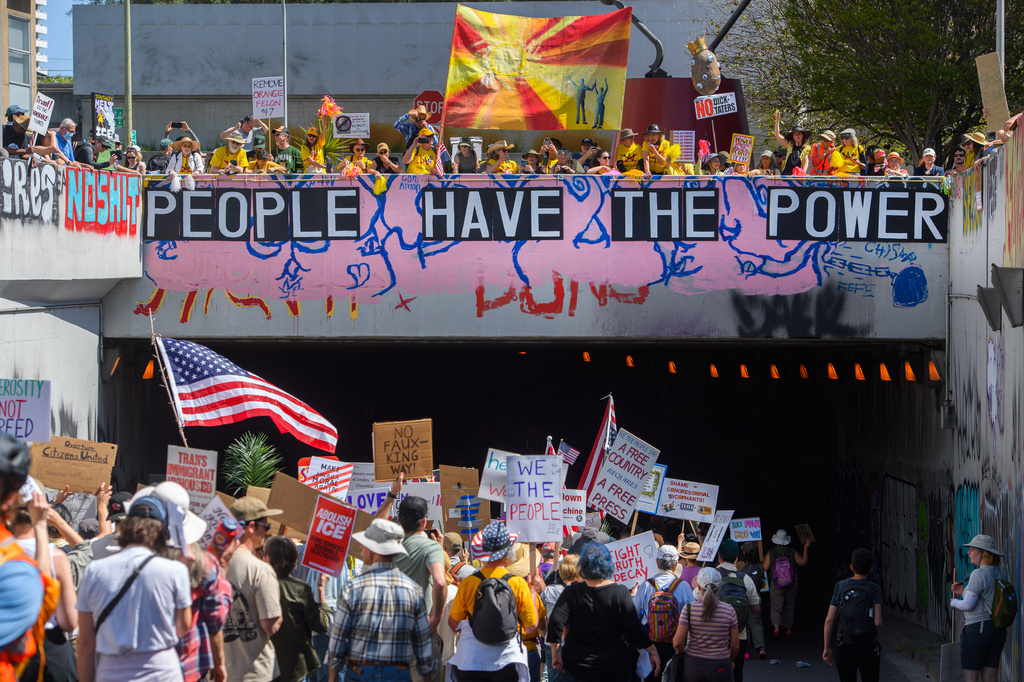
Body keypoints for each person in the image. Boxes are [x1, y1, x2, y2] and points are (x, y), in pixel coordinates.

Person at [76, 494, 192, 682]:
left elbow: (85, 642)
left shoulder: (95, 570)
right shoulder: (176, 571)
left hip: (112, 672)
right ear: (162, 530)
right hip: (161, 672)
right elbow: (183, 628)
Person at [327, 518, 436, 682]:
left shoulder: (353, 589)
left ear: (373, 550)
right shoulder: (413, 590)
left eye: (364, 544)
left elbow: (337, 642)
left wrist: (332, 678)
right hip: (398, 672)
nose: (360, 548)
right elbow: (422, 645)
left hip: (359, 672)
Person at [548, 542, 659, 682]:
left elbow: (555, 621)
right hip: (613, 666)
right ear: (608, 564)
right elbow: (633, 628)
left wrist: (555, 653)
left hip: (577, 666)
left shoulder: (571, 591)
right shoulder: (620, 592)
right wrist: (652, 650)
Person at [448, 521, 537, 681]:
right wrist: (532, 594)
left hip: (470, 661)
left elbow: (453, 624)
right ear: (509, 551)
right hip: (506, 661)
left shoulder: (469, 583)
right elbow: (530, 627)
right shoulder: (517, 583)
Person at [10, 485, 79, 682]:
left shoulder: (5, 552)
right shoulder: (56, 556)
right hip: (50, 651)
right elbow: (68, 622)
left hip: (9, 648)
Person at [385, 495, 446, 682]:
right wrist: (436, 617)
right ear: (424, 521)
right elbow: (440, 582)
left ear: (400, 519)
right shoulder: (430, 547)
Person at [223, 497, 283, 682]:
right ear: (251, 527)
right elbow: (270, 626)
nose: (267, 531)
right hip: (256, 672)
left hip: (221, 671)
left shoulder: (211, 564)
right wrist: (280, 615)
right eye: (265, 526)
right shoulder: (260, 570)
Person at [261, 536, 331, 682]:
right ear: (294, 561)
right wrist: (321, 590)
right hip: (295, 668)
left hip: (264, 666)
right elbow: (322, 625)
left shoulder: (257, 586)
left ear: (266, 558)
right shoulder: (300, 589)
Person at [632, 545, 695, 682]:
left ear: (657, 563)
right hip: (676, 643)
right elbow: (692, 616)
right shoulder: (683, 586)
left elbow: (633, 614)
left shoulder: (646, 585)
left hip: (651, 643)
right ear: (676, 565)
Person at [951, 535, 1008, 682]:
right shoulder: (1000, 574)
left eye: (972, 550)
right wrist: (962, 592)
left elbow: (967, 605)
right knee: (990, 678)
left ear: (984, 553)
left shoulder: (978, 573)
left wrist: (954, 602)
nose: (969, 553)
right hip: (997, 630)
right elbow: (986, 598)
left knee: (971, 678)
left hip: (978, 630)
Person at [822, 548, 882, 682]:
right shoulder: (874, 588)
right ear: (871, 568)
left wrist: (827, 647)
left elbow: (829, 620)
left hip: (845, 645)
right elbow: (877, 621)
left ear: (851, 567)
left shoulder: (841, 586)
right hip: (868, 645)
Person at [672, 567, 739, 682]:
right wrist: (730, 660)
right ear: (719, 587)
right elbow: (735, 646)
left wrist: (683, 652)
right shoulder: (729, 610)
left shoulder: (689, 609)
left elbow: (677, 643)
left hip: (693, 666)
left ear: (698, 587)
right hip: (721, 666)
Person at [716, 539, 760, 682]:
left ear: (719, 556)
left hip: (716, 636)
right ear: (737, 557)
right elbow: (755, 608)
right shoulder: (746, 579)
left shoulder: (711, 576)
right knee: (736, 673)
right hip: (739, 637)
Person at [762, 529, 809, 640]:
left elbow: (765, 568)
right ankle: (788, 631)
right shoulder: (792, 551)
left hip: (776, 584)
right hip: (792, 583)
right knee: (789, 607)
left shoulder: (771, 552)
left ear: (776, 541)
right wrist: (806, 548)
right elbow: (803, 562)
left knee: (776, 607)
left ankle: (776, 629)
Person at [540, 554, 579, 682]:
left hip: (552, 645)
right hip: (575, 645)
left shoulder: (548, 591)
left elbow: (540, 618)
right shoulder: (582, 591)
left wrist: (546, 634)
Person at [740, 543, 767, 659]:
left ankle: (744, 650)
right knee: (756, 624)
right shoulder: (760, 566)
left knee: (742, 625)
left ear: (744, 553)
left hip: (742, 598)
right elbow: (763, 583)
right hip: (756, 598)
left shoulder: (740, 565)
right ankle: (761, 649)